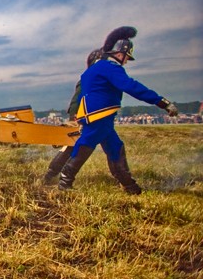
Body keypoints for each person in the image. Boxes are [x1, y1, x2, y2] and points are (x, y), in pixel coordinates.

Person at [57, 28, 178, 194]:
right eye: (127, 56)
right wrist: (162, 102)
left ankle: (130, 187)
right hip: (99, 116)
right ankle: (64, 182)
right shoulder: (110, 67)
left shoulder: (94, 68)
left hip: (97, 116)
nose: (127, 61)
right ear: (120, 53)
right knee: (85, 145)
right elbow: (131, 86)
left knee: (115, 148)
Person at [42, 47, 104, 184]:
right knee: (71, 147)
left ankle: (52, 175)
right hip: (80, 118)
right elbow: (78, 97)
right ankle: (52, 175)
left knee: (72, 147)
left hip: (86, 118)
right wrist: (77, 116)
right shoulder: (91, 78)